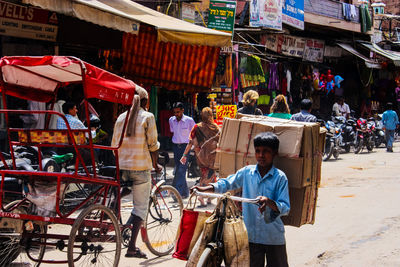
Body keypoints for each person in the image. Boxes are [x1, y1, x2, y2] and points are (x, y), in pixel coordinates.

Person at [192, 132, 290, 267]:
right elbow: (227, 183)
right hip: (250, 236)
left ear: (274, 153)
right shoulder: (247, 172)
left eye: (266, 151)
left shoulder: (280, 177)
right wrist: (206, 188)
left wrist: (269, 202)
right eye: (258, 151)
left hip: (273, 237)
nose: (261, 155)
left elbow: (285, 207)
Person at [111, 86, 161, 259]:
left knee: (129, 187)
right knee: (140, 207)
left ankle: (115, 203)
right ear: (145, 102)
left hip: (122, 168)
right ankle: (132, 247)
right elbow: (153, 145)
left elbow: (113, 147)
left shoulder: (120, 118)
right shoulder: (148, 117)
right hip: (140, 169)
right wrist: (156, 165)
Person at [180, 107, 220, 207]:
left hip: (200, 156)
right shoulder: (215, 127)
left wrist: (184, 155)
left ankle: (209, 198)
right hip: (212, 156)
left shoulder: (197, 127)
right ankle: (202, 196)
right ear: (211, 115)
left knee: (208, 175)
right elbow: (221, 140)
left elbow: (190, 142)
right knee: (209, 175)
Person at [169, 102, 195, 199]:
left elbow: (194, 134)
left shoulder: (189, 121)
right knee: (179, 169)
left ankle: (177, 193)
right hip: (176, 147)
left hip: (185, 148)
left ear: (182, 111)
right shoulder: (171, 120)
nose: (176, 114)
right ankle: (185, 192)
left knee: (181, 170)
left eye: (178, 112)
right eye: (175, 112)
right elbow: (172, 131)